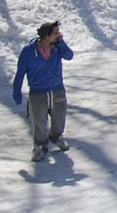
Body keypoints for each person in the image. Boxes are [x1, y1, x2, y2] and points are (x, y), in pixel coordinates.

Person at [12, 21, 74, 161]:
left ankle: (56, 136)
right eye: (56, 33)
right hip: (38, 93)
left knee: (60, 116)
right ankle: (39, 146)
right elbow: (20, 72)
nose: (59, 35)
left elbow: (69, 56)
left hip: (57, 89)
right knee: (39, 121)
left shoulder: (58, 48)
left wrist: (61, 42)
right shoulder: (28, 52)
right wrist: (17, 91)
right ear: (46, 37)